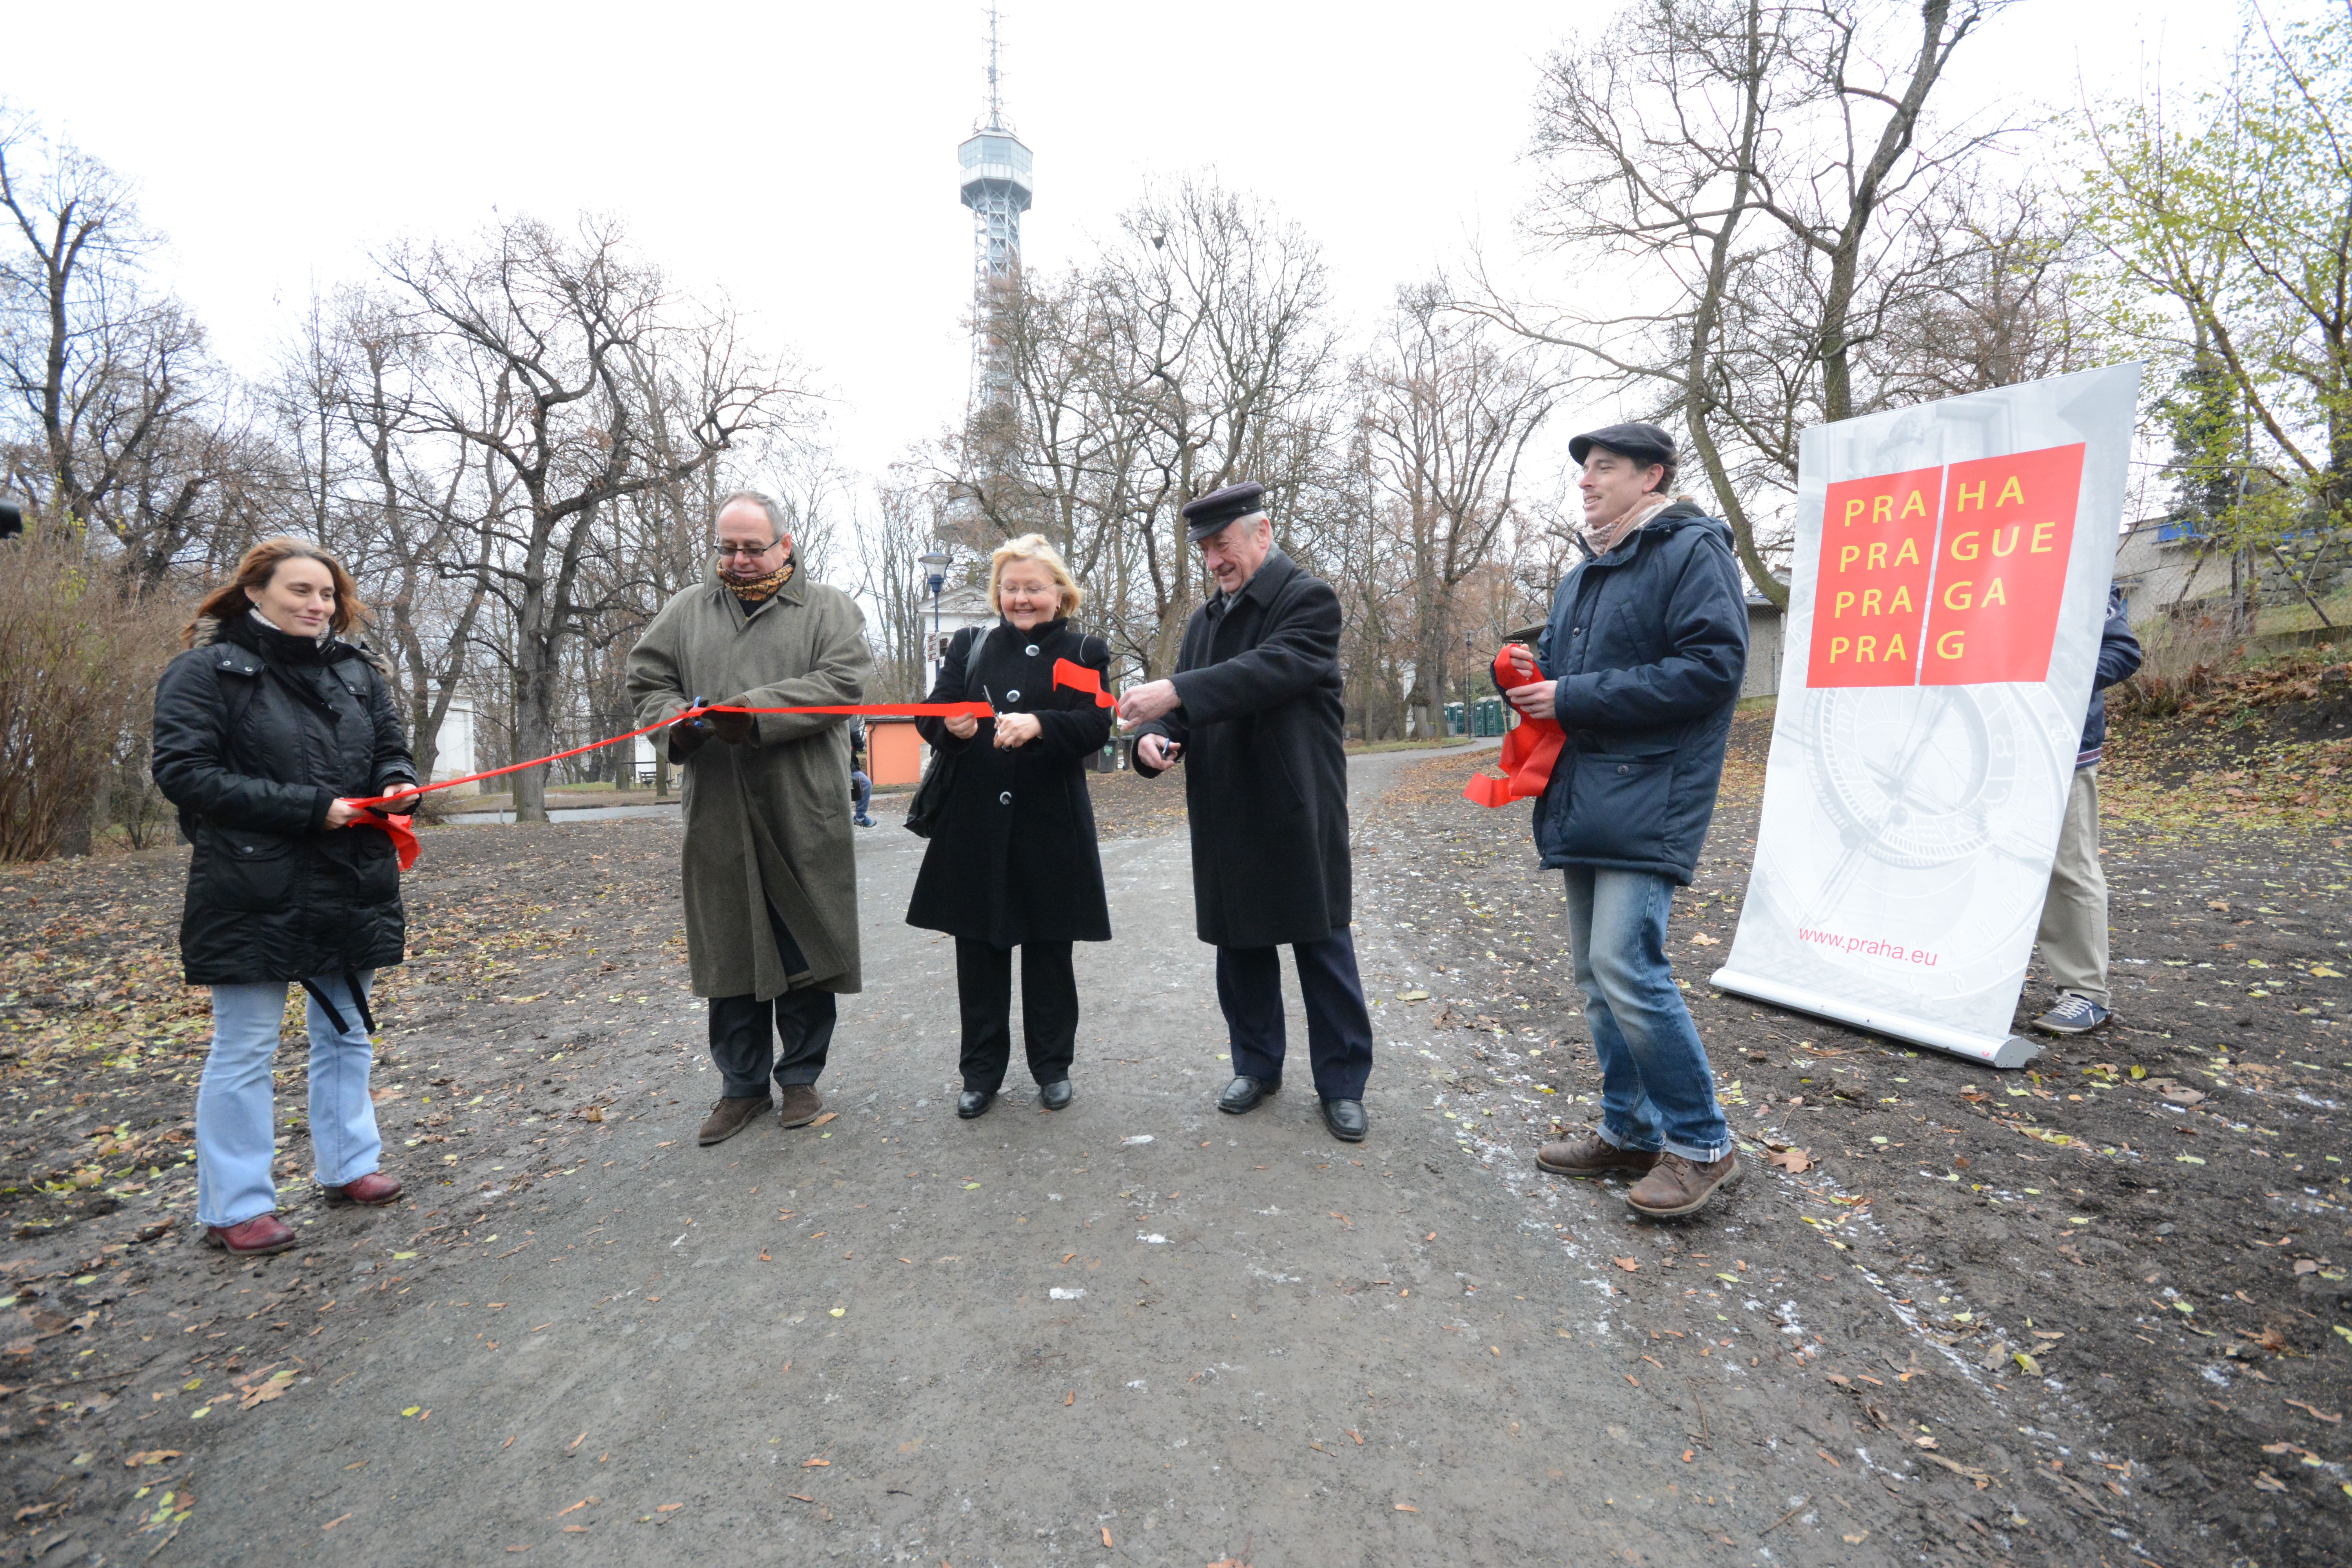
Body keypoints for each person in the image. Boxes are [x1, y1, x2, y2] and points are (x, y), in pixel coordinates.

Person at [1510, 423, 1749, 1219]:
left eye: (1604, 468)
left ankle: (1704, 1142)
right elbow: (1567, 668)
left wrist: (1572, 697)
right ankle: (1630, 1129)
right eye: (1584, 470)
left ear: (1653, 477)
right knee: (1595, 972)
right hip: (1586, 792)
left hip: (1653, 792)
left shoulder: (1691, 549)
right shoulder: (1588, 570)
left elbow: (1714, 668)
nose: (1587, 481)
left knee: (1626, 964)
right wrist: (1529, 673)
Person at [151, 538, 415, 1257]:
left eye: (327, 594)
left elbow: (392, 746)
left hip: (351, 877)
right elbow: (185, 774)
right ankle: (235, 1205)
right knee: (245, 1047)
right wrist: (309, 807)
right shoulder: (205, 673)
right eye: (300, 591)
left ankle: (350, 1166)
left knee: (347, 1031)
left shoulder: (358, 673)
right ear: (256, 593)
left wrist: (397, 783)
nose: (317, 605)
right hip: (250, 886)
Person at [1122, 481, 1375, 1143]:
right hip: (1224, 804)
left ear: (1262, 534)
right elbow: (1179, 713)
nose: (1214, 560)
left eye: (1222, 544)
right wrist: (1151, 740)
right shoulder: (1204, 623)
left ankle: (1343, 1083)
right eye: (1204, 549)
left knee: (1321, 944)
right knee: (1240, 947)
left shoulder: (1308, 600)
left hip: (1297, 804)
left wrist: (1173, 692)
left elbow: (1273, 670)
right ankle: (1256, 1066)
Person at [626, 492, 876, 1147]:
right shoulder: (686, 611)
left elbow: (841, 685)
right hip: (717, 807)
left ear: (784, 546)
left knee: (805, 945)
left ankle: (800, 1080)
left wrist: (750, 714)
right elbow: (647, 684)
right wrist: (676, 724)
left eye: (752, 547)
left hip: (802, 804)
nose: (737, 560)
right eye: (727, 547)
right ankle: (740, 1089)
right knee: (730, 947)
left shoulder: (827, 610)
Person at [905, 535, 1114, 1117]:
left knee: (1050, 955)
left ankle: (1053, 1068)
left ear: (1060, 595)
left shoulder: (1084, 651)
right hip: (975, 829)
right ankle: (980, 1074)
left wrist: (1042, 726)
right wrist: (952, 728)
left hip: (1051, 829)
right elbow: (936, 711)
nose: (1021, 599)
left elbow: (1096, 724)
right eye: (1012, 588)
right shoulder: (970, 646)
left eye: (1034, 588)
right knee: (979, 956)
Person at [2031, 584, 2142, 1034]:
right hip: (1982, 747)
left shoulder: (2082, 563)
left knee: (2069, 866)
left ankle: (2085, 993)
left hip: (2061, 749)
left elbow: (2121, 651)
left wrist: (2052, 676)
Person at [849, 718, 877, 828]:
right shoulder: (850, 705)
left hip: (841, 757)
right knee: (865, 783)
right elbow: (853, 730)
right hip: (845, 759)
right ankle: (860, 817)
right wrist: (860, 745)